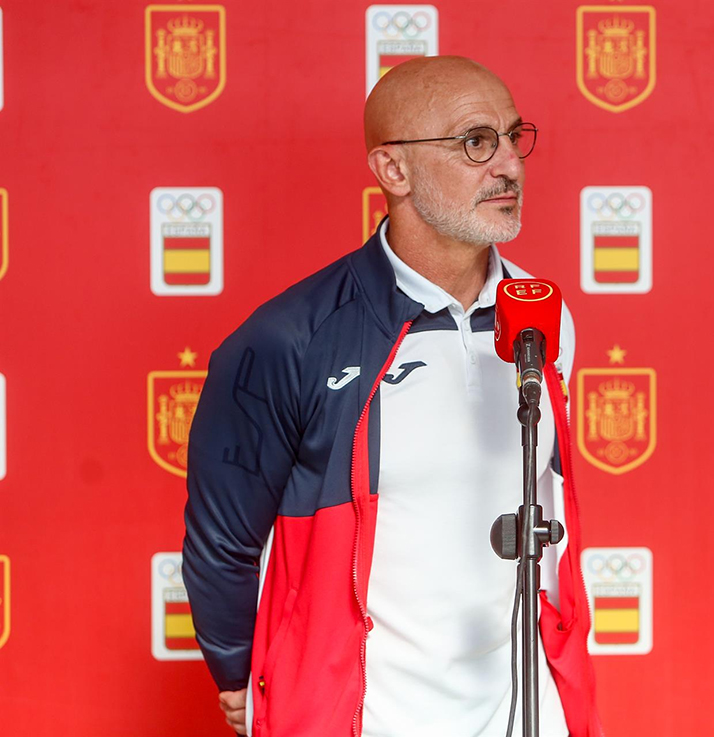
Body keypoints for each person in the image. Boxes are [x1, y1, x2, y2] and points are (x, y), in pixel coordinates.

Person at [182, 56, 602, 737]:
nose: (509, 165)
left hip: (523, 708)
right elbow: (223, 541)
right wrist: (238, 674)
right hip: (365, 714)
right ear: (393, 169)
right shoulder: (290, 337)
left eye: (513, 136)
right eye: (475, 142)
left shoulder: (544, 319)